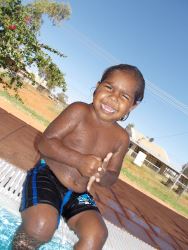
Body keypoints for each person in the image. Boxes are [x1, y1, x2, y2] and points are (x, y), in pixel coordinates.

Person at [12, 64, 145, 250]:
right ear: (97, 86)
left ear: (133, 105)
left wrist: (102, 174)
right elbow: (45, 142)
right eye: (109, 87)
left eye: (124, 96)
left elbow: (112, 176)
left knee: (97, 235)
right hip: (48, 177)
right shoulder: (79, 111)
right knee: (41, 227)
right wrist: (79, 161)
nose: (113, 98)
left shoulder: (122, 138)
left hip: (78, 193)